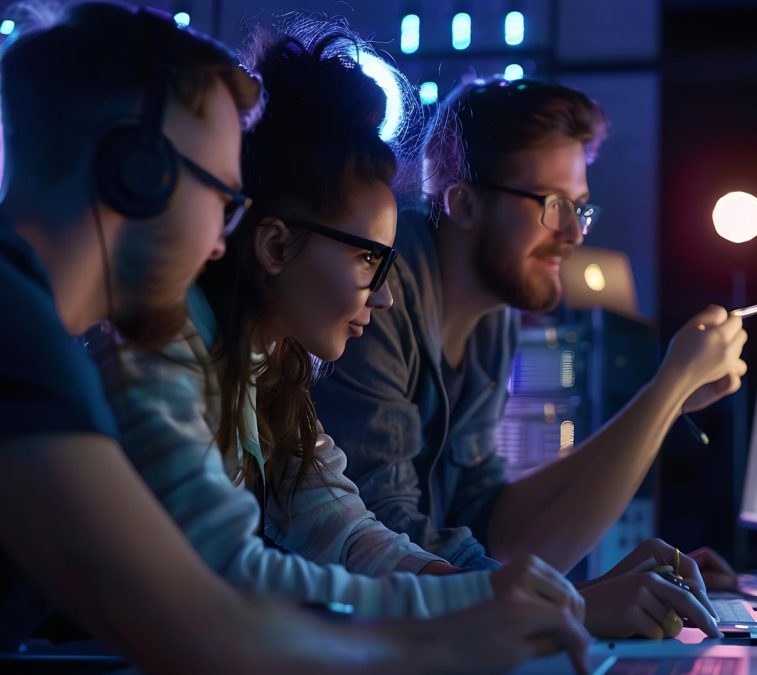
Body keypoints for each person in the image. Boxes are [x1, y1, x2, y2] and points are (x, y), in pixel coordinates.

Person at [0, 5, 588, 673]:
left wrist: (481, 603)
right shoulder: (25, 333)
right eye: (225, 197)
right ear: (137, 176)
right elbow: (207, 611)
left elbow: (304, 552)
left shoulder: (34, 326)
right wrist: (445, 632)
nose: (226, 239)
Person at [312, 78, 748, 601]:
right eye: (554, 204)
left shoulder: (492, 320)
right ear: (464, 204)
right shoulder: (380, 295)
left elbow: (494, 527)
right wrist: (667, 389)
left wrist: (668, 395)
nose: (575, 234)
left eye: (579, 207)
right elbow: (392, 547)